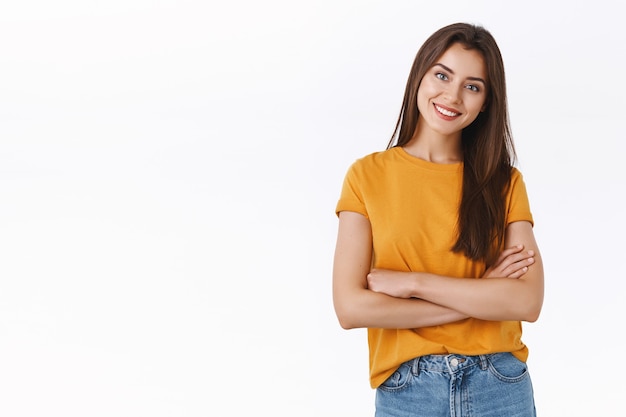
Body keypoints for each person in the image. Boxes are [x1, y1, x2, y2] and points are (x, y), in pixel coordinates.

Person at [332, 22, 543, 416]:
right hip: (409, 391)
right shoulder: (367, 176)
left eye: (473, 86)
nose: (453, 95)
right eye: (442, 75)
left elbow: (527, 300)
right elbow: (351, 308)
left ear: (486, 102)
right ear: (420, 75)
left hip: (498, 383)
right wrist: (479, 296)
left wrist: (413, 283)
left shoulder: (504, 183)